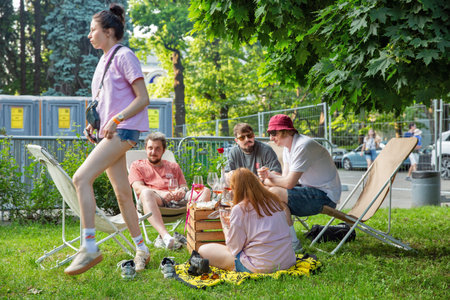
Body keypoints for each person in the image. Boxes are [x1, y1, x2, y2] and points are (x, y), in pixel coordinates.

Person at [64, 4, 151, 275]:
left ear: (109, 31)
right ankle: (142, 248)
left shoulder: (125, 55)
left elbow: (143, 99)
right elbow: (105, 101)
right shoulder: (104, 61)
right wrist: (94, 124)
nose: (89, 35)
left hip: (123, 131)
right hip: (111, 131)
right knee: (123, 193)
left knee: (81, 178)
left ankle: (88, 246)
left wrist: (116, 119)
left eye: (93, 30)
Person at [257, 114, 341, 252]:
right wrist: (269, 176)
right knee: (274, 196)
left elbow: (288, 183)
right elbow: (284, 179)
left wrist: (266, 180)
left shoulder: (303, 146)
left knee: (273, 192)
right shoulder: (288, 148)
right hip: (311, 191)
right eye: (270, 134)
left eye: (273, 133)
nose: (271, 138)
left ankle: (289, 243)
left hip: (326, 197)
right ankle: (290, 243)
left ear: (286, 130)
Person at [198, 168, 296, 273]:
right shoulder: (274, 202)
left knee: (203, 250)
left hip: (261, 266)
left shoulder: (240, 209)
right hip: (287, 261)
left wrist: (226, 227)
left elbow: (234, 249)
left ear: (236, 189)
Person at [128, 132, 210, 249]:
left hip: (177, 199)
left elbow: (184, 186)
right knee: (146, 193)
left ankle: (196, 232)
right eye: (150, 148)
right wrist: (162, 193)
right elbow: (138, 188)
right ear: (145, 148)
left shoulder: (173, 166)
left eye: (157, 149)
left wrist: (181, 191)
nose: (153, 152)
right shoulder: (137, 165)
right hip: (156, 199)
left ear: (163, 150)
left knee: (205, 191)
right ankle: (165, 236)